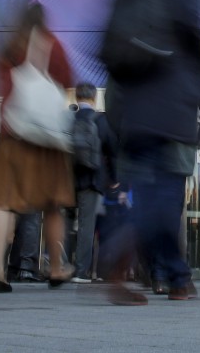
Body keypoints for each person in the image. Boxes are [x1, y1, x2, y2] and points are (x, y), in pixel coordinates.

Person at [102, 0, 200, 305]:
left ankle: (177, 277)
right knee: (165, 200)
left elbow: (112, 51)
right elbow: (192, 31)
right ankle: (118, 260)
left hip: (136, 107)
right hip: (172, 102)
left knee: (154, 196)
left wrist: (120, 119)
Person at [0, 2, 76, 293]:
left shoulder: (8, 44)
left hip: (12, 135)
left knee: (2, 202)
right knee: (52, 204)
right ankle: (57, 268)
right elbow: (66, 81)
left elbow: (0, 85)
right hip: (45, 140)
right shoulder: (53, 44)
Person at [71, 82, 117, 285]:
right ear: (94, 98)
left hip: (67, 178)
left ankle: (58, 267)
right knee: (87, 227)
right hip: (92, 179)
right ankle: (81, 271)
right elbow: (112, 151)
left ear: (76, 97)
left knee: (63, 223)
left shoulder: (68, 117)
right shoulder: (101, 120)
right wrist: (115, 178)